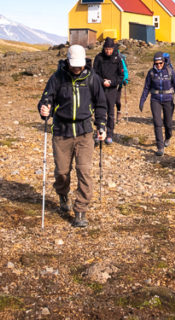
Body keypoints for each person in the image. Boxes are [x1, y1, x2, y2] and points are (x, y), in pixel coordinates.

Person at [37, 45, 107, 228]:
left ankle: (81, 210)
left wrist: (101, 125)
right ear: (67, 61)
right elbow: (46, 99)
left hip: (84, 132)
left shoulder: (92, 78)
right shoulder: (57, 78)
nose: (77, 68)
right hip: (62, 132)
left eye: (79, 65)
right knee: (62, 172)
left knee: (84, 171)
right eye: (74, 65)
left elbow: (101, 104)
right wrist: (44, 109)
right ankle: (62, 194)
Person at [139, 52, 175, 156]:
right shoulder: (151, 73)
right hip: (155, 100)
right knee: (157, 123)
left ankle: (168, 137)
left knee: (168, 123)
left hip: (168, 99)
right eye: (156, 63)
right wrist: (142, 100)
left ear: (164, 62)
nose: (158, 65)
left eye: (160, 63)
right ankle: (160, 146)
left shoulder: (170, 71)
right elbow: (146, 88)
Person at [93, 38, 124, 144]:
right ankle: (99, 132)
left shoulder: (117, 59)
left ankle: (110, 134)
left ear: (113, 48)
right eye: (106, 49)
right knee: (99, 111)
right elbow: (94, 73)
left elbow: (121, 76)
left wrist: (111, 82)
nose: (108, 51)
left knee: (110, 112)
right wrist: (102, 81)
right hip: (100, 88)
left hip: (112, 89)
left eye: (110, 49)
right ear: (104, 48)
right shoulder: (99, 57)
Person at [115, 48, 129, 123]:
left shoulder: (120, 59)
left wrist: (125, 79)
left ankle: (118, 111)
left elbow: (125, 70)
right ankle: (111, 116)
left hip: (118, 83)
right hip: (109, 83)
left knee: (117, 100)